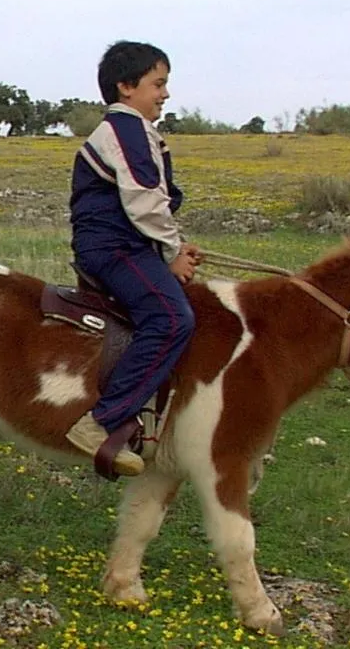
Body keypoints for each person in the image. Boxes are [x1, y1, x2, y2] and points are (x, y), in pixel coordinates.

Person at [66, 40, 201, 476]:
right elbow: (144, 204)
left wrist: (171, 247)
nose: (165, 94)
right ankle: (99, 422)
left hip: (129, 244)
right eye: (157, 84)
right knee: (171, 319)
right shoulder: (125, 130)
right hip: (113, 249)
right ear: (126, 87)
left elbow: (153, 205)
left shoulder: (137, 131)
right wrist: (172, 252)